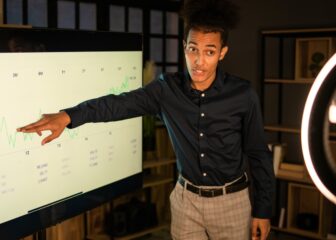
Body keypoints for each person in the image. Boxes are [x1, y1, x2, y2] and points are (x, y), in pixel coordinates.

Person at [17, 0, 275, 239]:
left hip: (231, 202)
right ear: (185, 47)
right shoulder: (165, 90)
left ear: (222, 53)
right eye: (193, 49)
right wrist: (68, 116)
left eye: (209, 52)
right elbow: (119, 103)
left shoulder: (242, 94)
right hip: (186, 201)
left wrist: (263, 210)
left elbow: (258, 153)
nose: (198, 61)